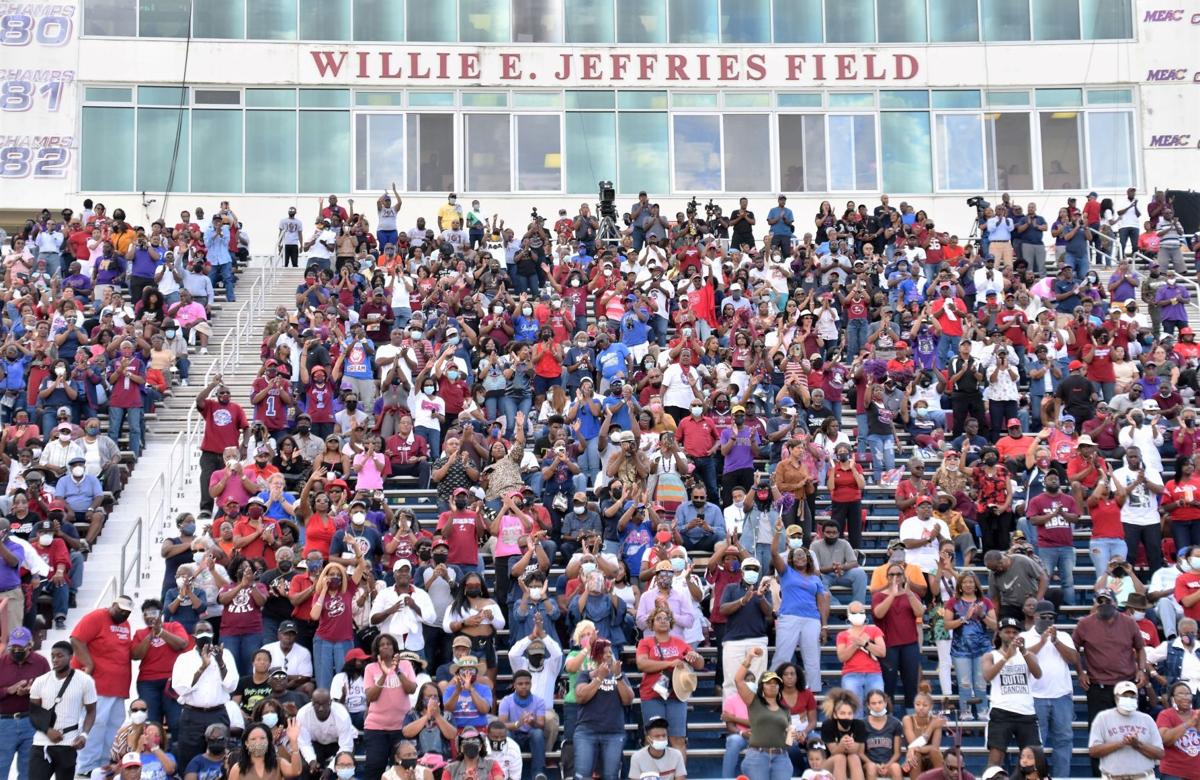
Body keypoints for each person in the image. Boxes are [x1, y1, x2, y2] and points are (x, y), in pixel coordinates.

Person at [70, 595, 134, 776]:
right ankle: (86, 766)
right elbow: (76, 639)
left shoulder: (125, 624)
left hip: (119, 687)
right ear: (113, 605)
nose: (123, 614)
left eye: (127, 612)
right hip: (98, 684)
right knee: (95, 725)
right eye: (120, 609)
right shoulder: (97, 617)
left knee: (113, 726)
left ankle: (104, 765)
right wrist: (88, 664)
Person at [770, 517, 829, 694]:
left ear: (809, 559)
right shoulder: (785, 572)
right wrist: (778, 532)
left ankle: (814, 692)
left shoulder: (815, 579)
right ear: (791, 559)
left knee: (812, 657)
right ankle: (772, 687)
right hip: (789, 618)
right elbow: (773, 553)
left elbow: (822, 603)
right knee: (782, 655)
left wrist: (824, 626)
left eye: (803, 555)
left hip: (812, 620)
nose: (800, 557)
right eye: (797, 556)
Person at [169, 620, 237, 773]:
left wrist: (220, 662)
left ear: (213, 634)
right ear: (194, 636)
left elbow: (231, 685)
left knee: (221, 757)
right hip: (192, 715)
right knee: (188, 758)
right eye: (200, 631)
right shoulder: (184, 658)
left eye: (208, 630)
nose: (204, 633)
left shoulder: (225, 655)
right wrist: (202, 667)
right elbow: (180, 687)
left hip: (217, 713)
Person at [1020, 601, 1078, 779]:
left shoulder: (1064, 636)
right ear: (1034, 616)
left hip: (1061, 697)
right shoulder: (1024, 636)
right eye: (1043, 616)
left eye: (1051, 617)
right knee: (1036, 745)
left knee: (1064, 740)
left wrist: (1055, 641)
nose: (1047, 620)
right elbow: (1020, 658)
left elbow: (1074, 659)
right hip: (1034, 697)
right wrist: (1042, 641)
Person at [29, 641, 96, 780]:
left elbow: (91, 711)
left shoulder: (85, 681)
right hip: (41, 743)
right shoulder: (40, 681)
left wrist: (84, 735)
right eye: (52, 656)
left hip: (68, 743)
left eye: (60, 656)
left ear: (71, 656)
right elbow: (33, 712)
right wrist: (48, 731)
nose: (55, 659)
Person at [982, 617, 1043, 766]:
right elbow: (987, 676)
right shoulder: (991, 656)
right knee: (995, 759)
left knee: (1033, 760)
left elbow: (1038, 674)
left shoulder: (1028, 655)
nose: (1011, 635)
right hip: (1001, 711)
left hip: (1026, 713)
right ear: (1000, 634)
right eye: (1007, 632)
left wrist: (1024, 652)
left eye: (1014, 632)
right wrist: (1006, 657)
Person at [573, 638, 634, 780]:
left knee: (611, 776)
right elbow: (581, 697)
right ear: (595, 655)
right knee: (582, 775)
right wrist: (599, 678)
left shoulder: (620, 675)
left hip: (613, 732)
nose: (608, 655)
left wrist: (618, 676)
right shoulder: (585, 675)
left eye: (610, 652)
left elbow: (628, 700)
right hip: (586, 732)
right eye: (604, 652)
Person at [872, 560, 925, 713]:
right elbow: (878, 614)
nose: (895, 577)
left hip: (910, 644)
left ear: (904, 576)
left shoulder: (912, 595)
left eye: (898, 574)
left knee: (911, 683)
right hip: (888, 646)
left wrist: (907, 593)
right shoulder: (879, 596)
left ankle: (912, 717)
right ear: (887, 577)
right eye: (892, 574)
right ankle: (887, 717)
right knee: (888, 684)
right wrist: (892, 595)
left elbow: (919, 612)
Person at [735, 648, 793, 780]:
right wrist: (749, 658)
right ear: (762, 686)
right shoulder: (754, 701)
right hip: (757, 756)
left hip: (782, 757)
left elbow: (788, 742)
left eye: (776, 683)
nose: (773, 685)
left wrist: (793, 735)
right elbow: (738, 680)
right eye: (769, 683)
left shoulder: (785, 709)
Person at [1087, 680, 1164, 779]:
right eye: (1124, 696)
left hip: (1143, 776)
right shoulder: (1103, 718)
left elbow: (1160, 753)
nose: (1129, 699)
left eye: (1132, 697)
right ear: (1116, 698)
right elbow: (1094, 751)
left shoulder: (1147, 719)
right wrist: (1121, 743)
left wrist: (1138, 745)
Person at [0, 627, 49, 780]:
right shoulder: (1, 662)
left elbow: (51, 691)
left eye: (20, 647)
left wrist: (33, 691)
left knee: (28, 769)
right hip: (4, 723)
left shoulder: (41, 663)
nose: (16, 650)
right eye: (13, 646)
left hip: (30, 721)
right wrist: (9, 690)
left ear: (30, 645)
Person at [835, 601, 885, 713]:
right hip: (851, 674)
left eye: (861, 612)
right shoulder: (842, 635)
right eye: (854, 612)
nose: (858, 615)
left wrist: (866, 644)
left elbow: (882, 652)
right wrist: (856, 644)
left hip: (874, 674)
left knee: (877, 710)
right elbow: (842, 657)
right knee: (854, 709)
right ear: (848, 615)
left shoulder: (874, 630)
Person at [296, 689, 356, 779]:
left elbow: (346, 746)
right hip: (317, 743)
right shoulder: (302, 714)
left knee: (344, 765)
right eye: (317, 704)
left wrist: (330, 768)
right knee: (307, 768)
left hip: (339, 743)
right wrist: (312, 761)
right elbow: (304, 743)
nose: (321, 708)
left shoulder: (342, 714)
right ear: (312, 702)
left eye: (324, 704)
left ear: (330, 702)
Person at [1156, 680, 1200, 780]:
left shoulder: (1197, 715)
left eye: (1188, 694)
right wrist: (1189, 724)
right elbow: (1164, 740)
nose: (1185, 697)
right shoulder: (1166, 715)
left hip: (1196, 772)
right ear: (1172, 698)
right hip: (1173, 772)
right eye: (1180, 694)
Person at [862, 689, 903, 780]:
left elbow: (897, 753)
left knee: (896, 767)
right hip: (870, 764)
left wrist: (887, 765)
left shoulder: (895, 723)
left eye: (880, 702)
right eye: (873, 703)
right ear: (868, 706)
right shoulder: (862, 724)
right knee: (871, 767)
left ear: (885, 703)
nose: (877, 706)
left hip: (889, 764)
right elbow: (860, 753)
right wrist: (875, 765)